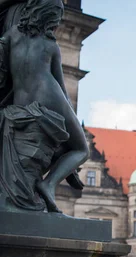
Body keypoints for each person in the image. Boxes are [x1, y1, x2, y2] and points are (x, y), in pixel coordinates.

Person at [0, 0, 89, 212]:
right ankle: (48, 184)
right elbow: (61, 86)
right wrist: (69, 114)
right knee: (80, 148)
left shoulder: (11, 35)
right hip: (51, 96)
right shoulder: (51, 45)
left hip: (22, 101)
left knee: (60, 142)